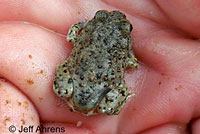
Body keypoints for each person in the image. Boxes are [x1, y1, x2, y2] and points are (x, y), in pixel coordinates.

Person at [0, 0, 200, 133]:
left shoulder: (86, 34)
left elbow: (71, 36)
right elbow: (131, 63)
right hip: (100, 102)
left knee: (68, 69)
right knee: (118, 89)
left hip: (69, 90)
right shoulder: (123, 50)